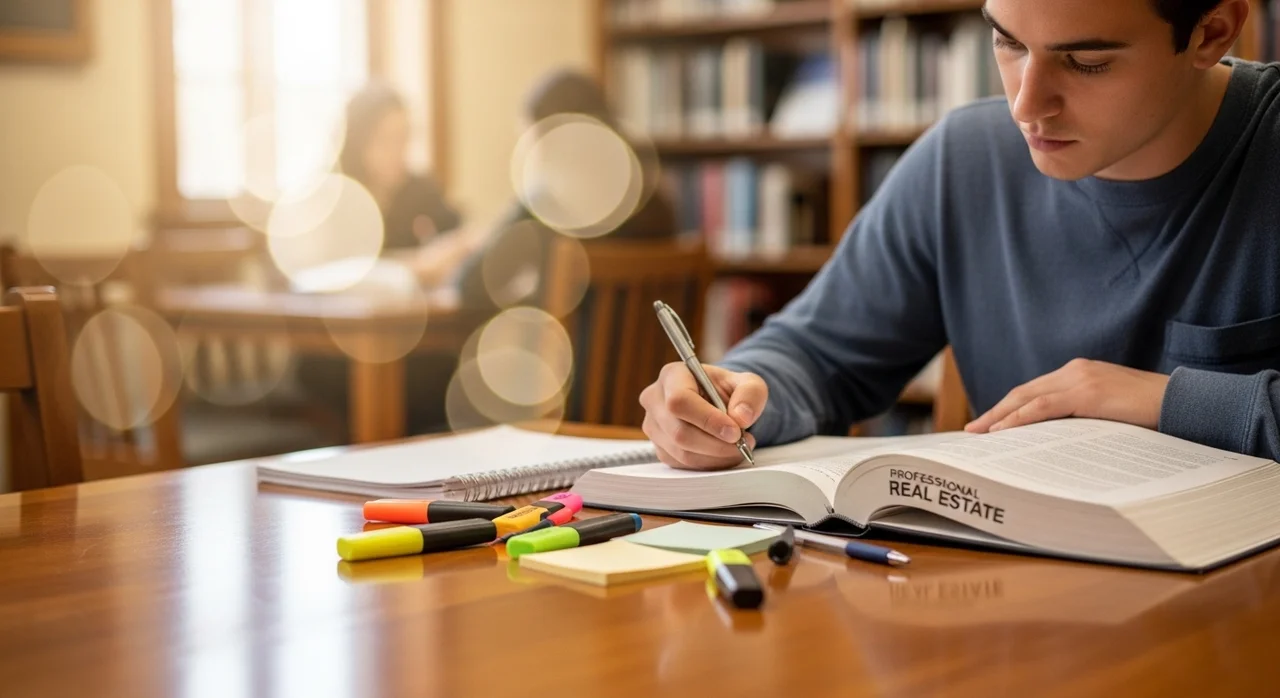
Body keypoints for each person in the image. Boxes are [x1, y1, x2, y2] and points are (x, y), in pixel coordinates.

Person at [639, 0, 1280, 470]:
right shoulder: (964, 159)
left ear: (1212, 32)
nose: (1025, 106)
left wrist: (1164, 400)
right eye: (1008, 43)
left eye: (1087, 63)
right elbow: (817, 353)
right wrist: (731, 396)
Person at [454, 68, 677, 312]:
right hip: (656, 337)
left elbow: (470, 284)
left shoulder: (548, 204)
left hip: (570, 338)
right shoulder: (656, 202)